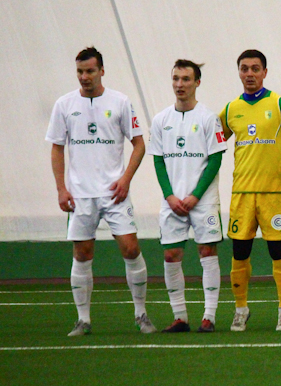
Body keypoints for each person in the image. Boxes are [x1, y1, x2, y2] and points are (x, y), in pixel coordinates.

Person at [46, 46, 156, 336]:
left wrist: (126, 179)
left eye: (90, 71)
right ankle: (83, 320)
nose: (85, 77)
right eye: (80, 72)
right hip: (80, 195)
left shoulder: (120, 101)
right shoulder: (64, 104)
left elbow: (139, 144)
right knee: (82, 253)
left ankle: (141, 314)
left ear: (102, 71)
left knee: (131, 248)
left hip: (114, 193)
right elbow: (57, 148)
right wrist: (61, 189)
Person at [218, 50, 281, 332]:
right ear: (239, 72)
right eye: (244, 68)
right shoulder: (230, 110)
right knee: (239, 253)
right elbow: (213, 141)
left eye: (255, 68)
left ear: (265, 72)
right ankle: (241, 309)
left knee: (278, 250)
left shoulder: (280, 104)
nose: (249, 74)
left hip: (273, 193)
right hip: (242, 194)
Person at [149, 60, 227, 333]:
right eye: (176, 79)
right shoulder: (160, 120)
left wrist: (195, 195)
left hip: (203, 200)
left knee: (207, 252)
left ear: (197, 82)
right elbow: (158, 161)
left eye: (185, 79)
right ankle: (180, 317)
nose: (179, 84)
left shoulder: (209, 118)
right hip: (172, 202)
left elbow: (215, 160)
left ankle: (209, 316)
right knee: (171, 255)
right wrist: (169, 196)